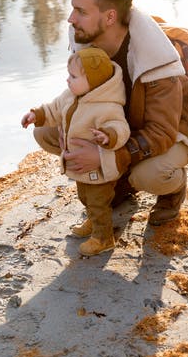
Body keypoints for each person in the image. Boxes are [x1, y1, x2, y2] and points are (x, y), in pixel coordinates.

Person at [33, 0, 188, 227]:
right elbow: (77, 98)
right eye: (73, 9)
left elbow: (161, 132)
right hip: (116, 128)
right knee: (46, 132)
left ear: (110, 17)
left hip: (171, 134)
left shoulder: (156, 58)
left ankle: (173, 190)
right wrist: (66, 126)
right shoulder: (86, 46)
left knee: (150, 175)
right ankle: (119, 182)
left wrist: (106, 158)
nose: (71, 19)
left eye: (81, 11)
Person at [22, 46, 130, 256]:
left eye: (73, 76)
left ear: (93, 81)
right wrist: (37, 115)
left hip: (98, 169)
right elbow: (53, 109)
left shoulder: (107, 105)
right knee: (84, 196)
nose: (67, 80)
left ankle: (103, 238)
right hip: (80, 167)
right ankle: (92, 221)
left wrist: (108, 136)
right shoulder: (70, 95)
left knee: (99, 202)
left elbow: (121, 127)